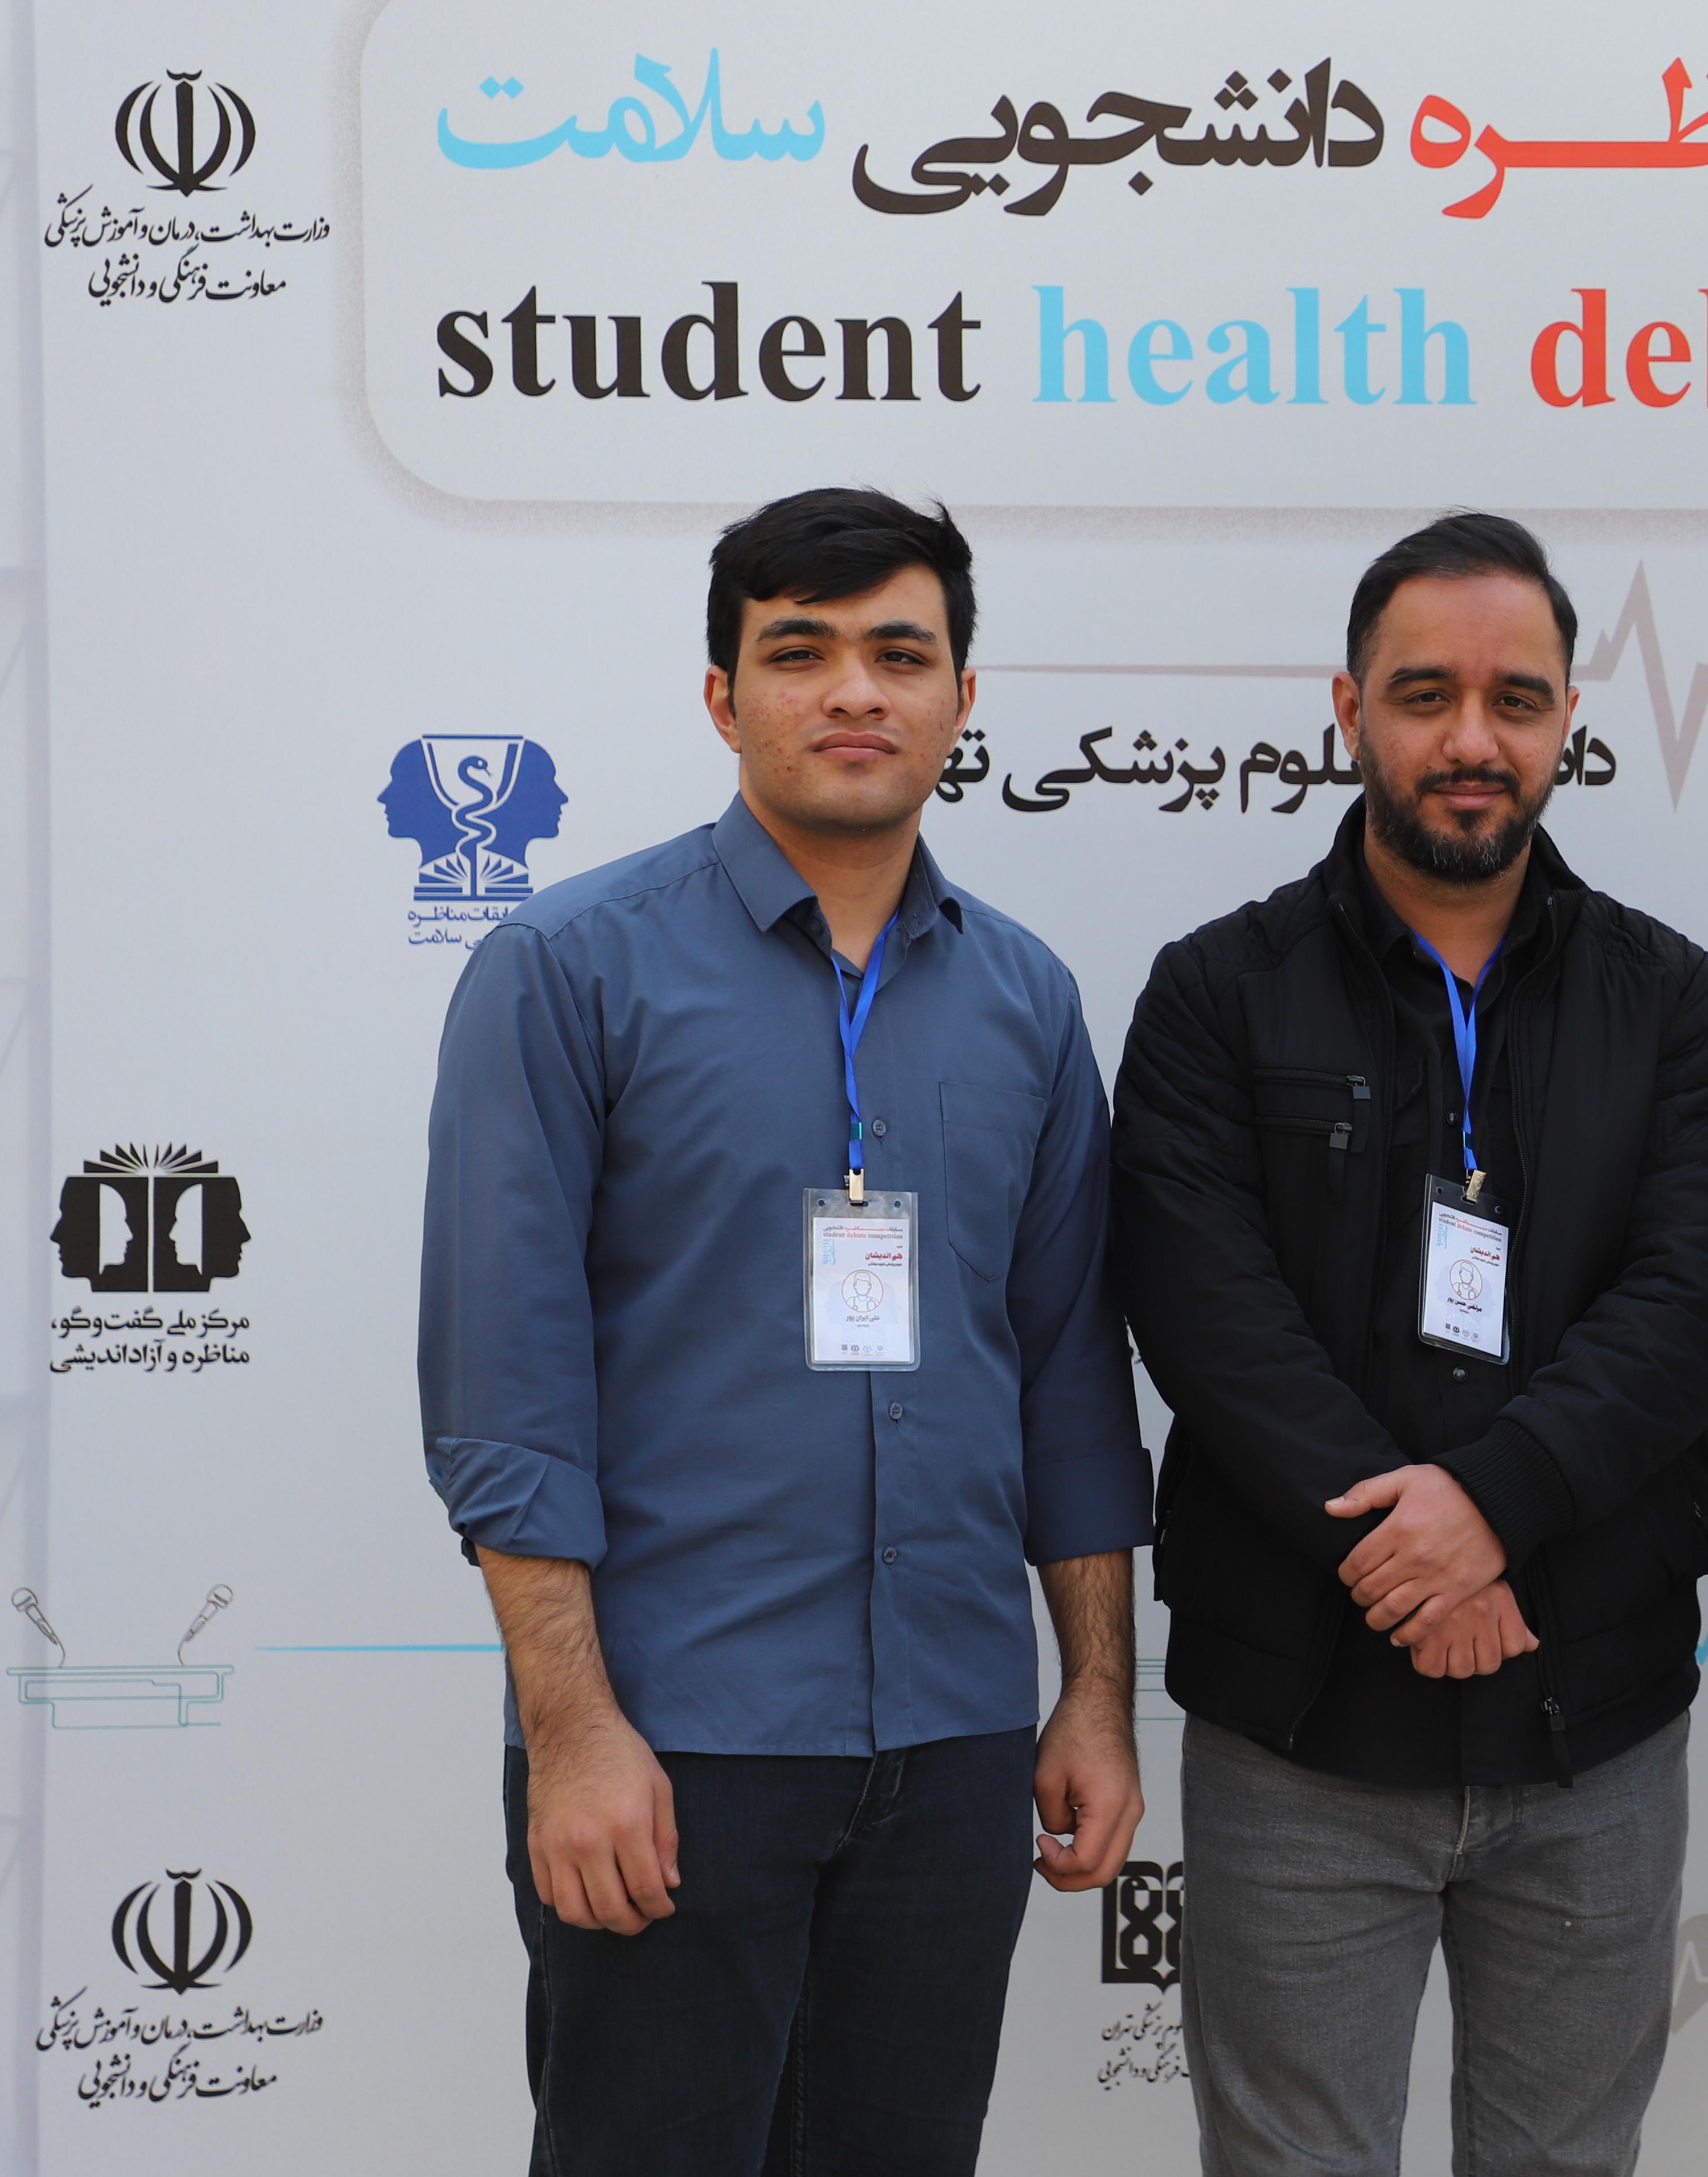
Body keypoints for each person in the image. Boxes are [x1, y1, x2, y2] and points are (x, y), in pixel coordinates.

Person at [417, 488, 1152, 2175]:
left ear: (963, 699)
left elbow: (1067, 1380)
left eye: (902, 653)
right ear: (722, 694)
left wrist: (1097, 1698)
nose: (855, 692)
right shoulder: (566, 970)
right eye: (800, 652)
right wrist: (573, 1731)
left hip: (954, 1745)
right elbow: (504, 1391)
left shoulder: (1029, 1000)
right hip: (675, 1743)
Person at [1109, 512, 1708, 2177]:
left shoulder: (1669, 998)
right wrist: (1419, 1553)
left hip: (1591, 1712)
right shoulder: (1215, 993)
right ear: (1349, 711)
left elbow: (1690, 1302)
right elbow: (1206, 1312)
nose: (1473, 739)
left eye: (1515, 699)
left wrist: (1493, 1508)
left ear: (1567, 722)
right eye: (1425, 695)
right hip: (1300, 1719)